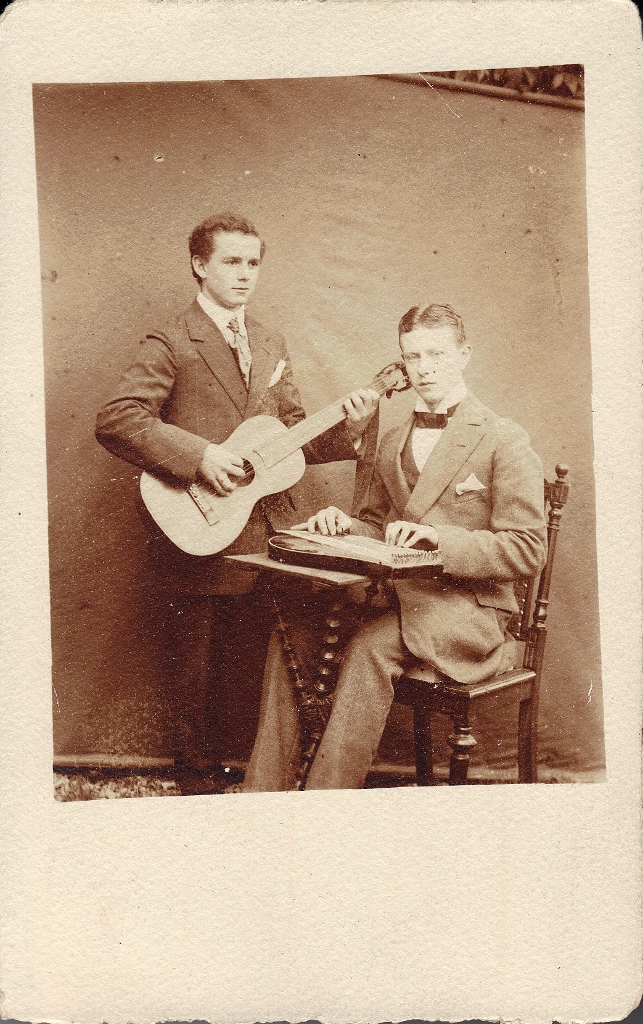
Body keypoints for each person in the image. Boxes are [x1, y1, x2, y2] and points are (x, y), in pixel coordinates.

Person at [95, 212, 379, 794]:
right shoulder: (172, 340)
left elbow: (290, 436)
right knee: (196, 669)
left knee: (257, 666)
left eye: (254, 263)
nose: (245, 275)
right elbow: (118, 418)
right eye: (232, 261)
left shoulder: (271, 341)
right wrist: (200, 457)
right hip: (200, 527)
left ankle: (260, 784)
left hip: (266, 532)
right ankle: (197, 785)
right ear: (200, 266)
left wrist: (349, 430)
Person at [243, 302, 548, 791]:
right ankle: (262, 795)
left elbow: (528, 548)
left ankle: (324, 805)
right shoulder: (390, 439)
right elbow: (376, 527)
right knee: (293, 632)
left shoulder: (502, 437)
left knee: (367, 648)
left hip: (465, 609)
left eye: (437, 354)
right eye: (413, 357)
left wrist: (442, 541)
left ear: (464, 355)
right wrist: (342, 525)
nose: (424, 368)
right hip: (397, 598)